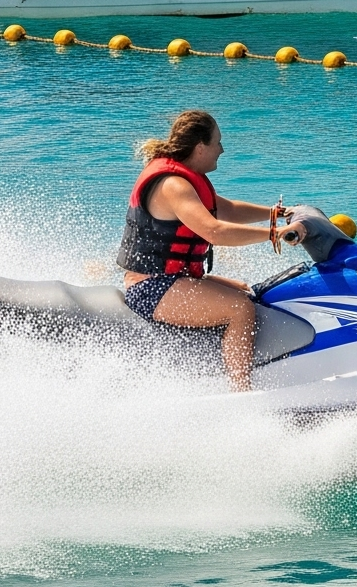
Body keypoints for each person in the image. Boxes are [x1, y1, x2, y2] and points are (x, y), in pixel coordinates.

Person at [116, 108, 304, 389]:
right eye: (217, 142)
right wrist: (274, 235)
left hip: (174, 279)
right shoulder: (174, 185)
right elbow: (213, 230)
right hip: (152, 287)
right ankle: (241, 392)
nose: (222, 149)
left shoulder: (187, 178)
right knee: (239, 309)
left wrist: (278, 213)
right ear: (201, 146)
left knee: (245, 290)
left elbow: (226, 209)